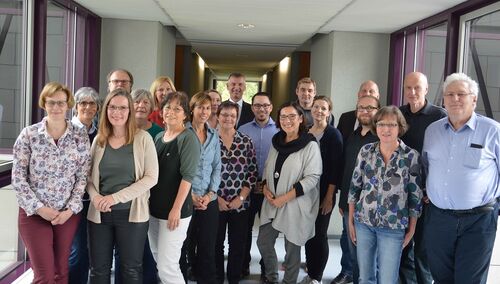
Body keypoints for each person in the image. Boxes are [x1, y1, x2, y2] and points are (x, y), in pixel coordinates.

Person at [422, 73, 500, 284]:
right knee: (440, 277)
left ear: (474, 99)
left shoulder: (493, 131)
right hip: (439, 220)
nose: (455, 98)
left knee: (469, 280)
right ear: (443, 99)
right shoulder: (432, 131)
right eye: (450, 94)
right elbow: (427, 168)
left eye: (461, 94)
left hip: (478, 221)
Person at [12, 82, 91, 284]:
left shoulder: (79, 135)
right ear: (44, 104)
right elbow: (18, 178)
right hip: (34, 214)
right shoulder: (29, 135)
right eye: (51, 103)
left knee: (61, 272)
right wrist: (40, 209)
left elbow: (82, 176)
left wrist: (70, 210)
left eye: (61, 103)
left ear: (68, 105)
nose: (56, 107)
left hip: (66, 215)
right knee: (45, 276)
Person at [87, 89, 159, 284]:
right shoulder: (99, 140)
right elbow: (88, 177)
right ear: (106, 110)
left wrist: (113, 198)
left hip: (131, 215)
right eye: (112, 107)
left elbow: (151, 178)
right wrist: (95, 197)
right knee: (98, 270)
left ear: (130, 111)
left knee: (131, 270)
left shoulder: (143, 138)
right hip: (99, 214)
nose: (117, 112)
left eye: (122, 107)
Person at [348, 106, 423, 284]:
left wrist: (411, 229)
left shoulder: (411, 156)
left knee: (388, 279)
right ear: (376, 126)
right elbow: (354, 187)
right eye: (381, 124)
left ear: (400, 127)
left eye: (391, 124)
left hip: (393, 227)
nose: (386, 129)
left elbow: (415, 196)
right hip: (364, 223)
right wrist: (351, 221)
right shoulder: (366, 151)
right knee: (365, 277)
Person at [257, 102, 322, 284]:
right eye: (283, 117)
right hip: (272, 202)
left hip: (295, 204)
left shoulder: (310, 145)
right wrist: (265, 188)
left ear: (301, 119)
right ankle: (271, 277)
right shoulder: (276, 141)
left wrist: (284, 198)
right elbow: (268, 168)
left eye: (292, 116)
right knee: (263, 241)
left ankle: (289, 281)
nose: (287, 120)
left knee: (292, 248)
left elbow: (312, 177)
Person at [398, 72, 446, 284]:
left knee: (423, 252)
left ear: (426, 89)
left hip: (427, 196)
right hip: (400, 194)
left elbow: (445, 157)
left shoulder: (439, 116)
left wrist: (430, 188)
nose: (412, 92)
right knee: (403, 249)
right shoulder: (397, 114)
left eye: (417, 87)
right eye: (408, 87)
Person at [148, 91, 201, 284]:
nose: (171, 112)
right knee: (157, 257)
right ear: (161, 111)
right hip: (154, 209)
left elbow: (187, 178)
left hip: (175, 211)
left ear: (185, 114)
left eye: (177, 109)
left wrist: (176, 209)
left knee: (168, 266)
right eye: (168, 107)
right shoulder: (159, 137)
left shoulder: (188, 138)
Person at [333, 80, 380, 284]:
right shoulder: (352, 136)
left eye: (370, 108)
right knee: (351, 245)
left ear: (378, 109)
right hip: (350, 203)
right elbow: (345, 168)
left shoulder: (381, 138)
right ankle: (351, 275)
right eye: (362, 107)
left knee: (369, 255)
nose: (365, 111)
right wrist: (342, 201)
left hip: (372, 208)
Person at [299, 96, 343, 284]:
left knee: (320, 234)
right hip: (307, 192)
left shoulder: (333, 135)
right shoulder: (305, 132)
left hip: (325, 190)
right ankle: (310, 273)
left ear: (329, 112)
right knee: (308, 233)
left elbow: (335, 168)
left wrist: (329, 196)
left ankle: (317, 276)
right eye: (316, 107)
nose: (319, 111)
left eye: (323, 108)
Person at [180, 91, 222, 283]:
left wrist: (211, 193)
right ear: (192, 109)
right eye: (200, 107)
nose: (204, 111)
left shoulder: (214, 135)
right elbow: (177, 169)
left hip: (208, 199)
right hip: (185, 199)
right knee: (184, 245)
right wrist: (190, 196)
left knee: (207, 246)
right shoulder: (182, 133)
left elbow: (217, 166)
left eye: (207, 108)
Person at [215, 101, 258, 284]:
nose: (228, 118)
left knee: (237, 244)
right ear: (217, 116)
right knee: (216, 244)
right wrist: (216, 198)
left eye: (232, 115)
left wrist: (241, 197)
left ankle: (233, 278)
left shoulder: (245, 141)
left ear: (237, 118)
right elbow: (202, 172)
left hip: (240, 203)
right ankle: (216, 277)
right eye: (224, 114)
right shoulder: (209, 140)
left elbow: (252, 172)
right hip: (214, 202)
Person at [239, 92, 279, 278]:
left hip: (270, 190)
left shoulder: (280, 130)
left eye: (265, 105)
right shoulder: (243, 129)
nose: (261, 109)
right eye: (257, 105)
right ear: (252, 108)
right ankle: (244, 264)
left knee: (267, 232)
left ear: (271, 107)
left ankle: (265, 267)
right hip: (247, 188)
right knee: (245, 230)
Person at [131, 88, 162, 283]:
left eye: (145, 102)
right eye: (137, 102)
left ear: (151, 106)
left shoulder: (158, 132)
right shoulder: (122, 129)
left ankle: (150, 277)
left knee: (150, 241)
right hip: (126, 194)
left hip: (152, 194)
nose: (141, 106)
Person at [69, 86, 100, 284]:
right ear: (75, 106)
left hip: (94, 199)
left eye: (92, 103)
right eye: (83, 103)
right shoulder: (67, 131)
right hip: (72, 200)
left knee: (90, 249)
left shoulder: (100, 133)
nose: (88, 107)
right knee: (77, 250)